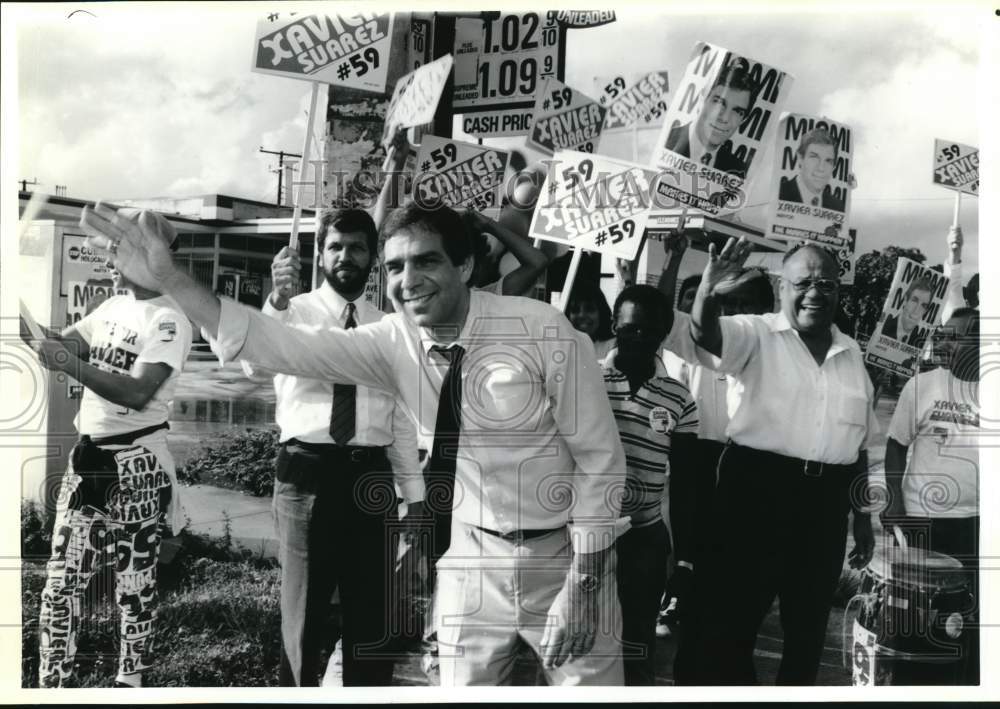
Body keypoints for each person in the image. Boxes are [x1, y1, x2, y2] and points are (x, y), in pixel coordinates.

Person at [80, 199, 628, 686]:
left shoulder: (544, 330)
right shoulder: (392, 340)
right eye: (394, 267)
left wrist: (583, 584)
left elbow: (601, 461)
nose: (407, 280)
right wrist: (173, 278)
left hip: (567, 558)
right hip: (471, 556)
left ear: (463, 265)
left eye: (426, 261)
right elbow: (278, 344)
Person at [687, 238, 876, 685]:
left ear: (838, 291)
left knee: (808, 630)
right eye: (803, 282)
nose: (814, 293)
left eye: (826, 284)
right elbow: (704, 335)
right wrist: (707, 293)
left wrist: (863, 517)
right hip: (756, 492)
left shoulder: (852, 353)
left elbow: (858, 443)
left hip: (826, 506)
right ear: (781, 285)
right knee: (734, 624)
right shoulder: (754, 332)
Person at [250, 208, 425, 687]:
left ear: (372, 258)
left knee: (371, 617)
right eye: (335, 247)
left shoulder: (392, 328)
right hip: (307, 475)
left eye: (357, 248)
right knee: (303, 614)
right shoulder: (293, 312)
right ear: (320, 254)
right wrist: (277, 302)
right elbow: (254, 365)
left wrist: (415, 498)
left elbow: (401, 421)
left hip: (370, 480)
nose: (345, 256)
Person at [22, 210, 192, 688]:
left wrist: (66, 363)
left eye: (126, 246)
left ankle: (129, 683)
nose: (114, 254)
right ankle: (52, 683)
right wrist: (37, 335)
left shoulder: (169, 321)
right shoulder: (113, 307)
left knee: (133, 587)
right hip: (89, 459)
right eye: (117, 245)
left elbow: (138, 392)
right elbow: (64, 346)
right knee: (60, 585)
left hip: (137, 465)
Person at [600, 285, 699, 685]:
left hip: (644, 541)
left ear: (664, 333)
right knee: (577, 643)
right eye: (630, 329)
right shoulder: (586, 380)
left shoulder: (679, 398)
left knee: (637, 646)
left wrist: (685, 559)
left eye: (650, 331)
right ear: (614, 327)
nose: (639, 339)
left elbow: (689, 482)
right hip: (586, 538)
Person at [881, 307, 980, 685]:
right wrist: (894, 501)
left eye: (955, 337)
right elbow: (895, 446)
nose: (944, 342)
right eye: (943, 334)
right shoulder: (920, 386)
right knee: (916, 619)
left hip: (976, 523)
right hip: (921, 521)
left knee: (966, 619)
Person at [664, 63, 755, 176]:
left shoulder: (740, 171)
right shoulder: (664, 140)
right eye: (719, 102)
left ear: (743, 120)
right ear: (702, 100)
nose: (725, 118)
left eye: (737, 111)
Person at [778, 128, 846, 211]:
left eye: (828, 161)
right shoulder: (777, 194)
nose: (821, 168)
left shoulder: (838, 206)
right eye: (814, 157)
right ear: (800, 158)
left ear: (834, 167)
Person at [565, 280, 615, 360]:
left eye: (589, 309)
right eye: (575, 310)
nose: (581, 315)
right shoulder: (560, 347)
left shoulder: (612, 347)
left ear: (601, 313)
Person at [882, 275, 934, 348]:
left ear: (926, 311)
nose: (916, 310)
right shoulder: (883, 327)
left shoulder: (921, 342)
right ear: (905, 300)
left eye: (923, 305)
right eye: (914, 301)